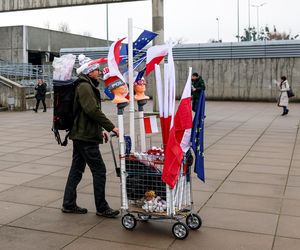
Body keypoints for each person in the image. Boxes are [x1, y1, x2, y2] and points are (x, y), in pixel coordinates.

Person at [62, 55, 120, 218]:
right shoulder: (85, 87)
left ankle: (68, 203)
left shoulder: (85, 85)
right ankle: (102, 208)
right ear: (89, 72)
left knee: (76, 169)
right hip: (85, 136)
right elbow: (92, 110)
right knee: (99, 170)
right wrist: (111, 127)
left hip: (82, 133)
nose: (99, 72)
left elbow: (87, 112)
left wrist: (100, 129)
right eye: (96, 70)